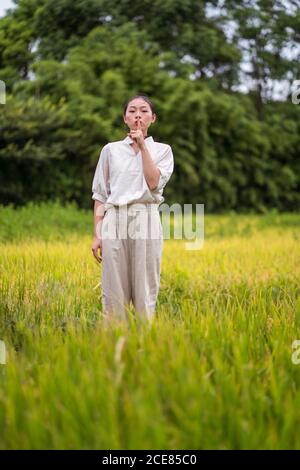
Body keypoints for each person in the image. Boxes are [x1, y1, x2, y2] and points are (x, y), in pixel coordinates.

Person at [91, 94, 174, 324]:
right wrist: (97, 234)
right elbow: (100, 195)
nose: (138, 115)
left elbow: (154, 182)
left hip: (145, 217)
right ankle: (115, 346)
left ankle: (142, 347)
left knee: (145, 288)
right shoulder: (110, 150)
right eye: (133, 110)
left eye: (144, 110)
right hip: (114, 218)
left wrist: (142, 146)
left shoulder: (163, 151)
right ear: (125, 118)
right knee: (113, 290)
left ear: (153, 118)